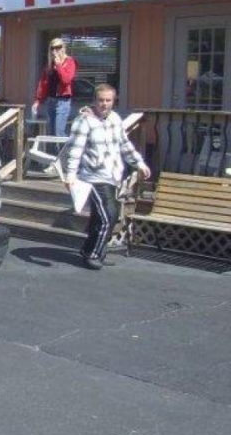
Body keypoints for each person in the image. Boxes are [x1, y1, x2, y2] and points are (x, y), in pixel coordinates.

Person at [63, 84, 151, 270]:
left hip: (112, 175)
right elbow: (74, 150)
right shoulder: (84, 121)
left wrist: (139, 163)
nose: (104, 104)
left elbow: (124, 145)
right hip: (91, 176)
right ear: (95, 101)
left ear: (113, 101)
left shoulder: (115, 119)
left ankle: (92, 250)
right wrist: (70, 175)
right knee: (108, 215)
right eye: (101, 100)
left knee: (100, 217)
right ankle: (94, 254)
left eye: (108, 100)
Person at [32, 37, 78, 137]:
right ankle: (54, 153)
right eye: (52, 48)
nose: (54, 51)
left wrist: (59, 65)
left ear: (63, 48)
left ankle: (66, 152)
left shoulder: (70, 61)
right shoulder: (50, 65)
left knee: (59, 133)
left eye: (57, 47)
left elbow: (66, 80)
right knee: (52, 133)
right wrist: (38, 101)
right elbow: (43, 84)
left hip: (63, 101)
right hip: (51, 101)